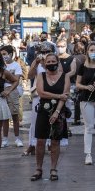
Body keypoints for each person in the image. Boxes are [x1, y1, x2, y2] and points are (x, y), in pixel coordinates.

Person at [32, 53, 70, 181]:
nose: (51, 63)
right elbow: (41, 93)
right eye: (48, 62)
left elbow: (66, 95)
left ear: (58, 62)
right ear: (45, 63)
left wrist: (57, 112)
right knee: (40, 141)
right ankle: (38, 168)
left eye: (53, 61)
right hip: (43, 110)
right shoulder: (41, 75)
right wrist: (58, 96)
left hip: (58, 111)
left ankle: (53, 168)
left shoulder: (65, 77)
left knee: (55, 140)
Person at [0, 46, 24, 148]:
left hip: (12, 91)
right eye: (2, 54)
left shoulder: (16, 65)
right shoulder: (0, 66)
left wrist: (9, 89)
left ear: (10, 54)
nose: (3, 56)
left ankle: (17, 138)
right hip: (2, 91)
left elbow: (16, 80)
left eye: (4, 54)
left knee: (15, 115)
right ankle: (5, 139)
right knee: (4, 116)